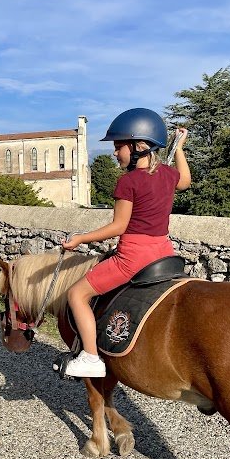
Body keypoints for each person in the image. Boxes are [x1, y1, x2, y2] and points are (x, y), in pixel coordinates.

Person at [61, 108, 191, 377]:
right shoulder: (167, 174)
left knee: (76, 294)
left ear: (138, 146)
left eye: (119, 146)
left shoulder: (128, 182)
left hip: (133, 257)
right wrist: (179, 148)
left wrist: (80, 239)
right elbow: (185, 182)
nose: (115, 152)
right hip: (164, 252)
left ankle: (91, 358)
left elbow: (118, 227)